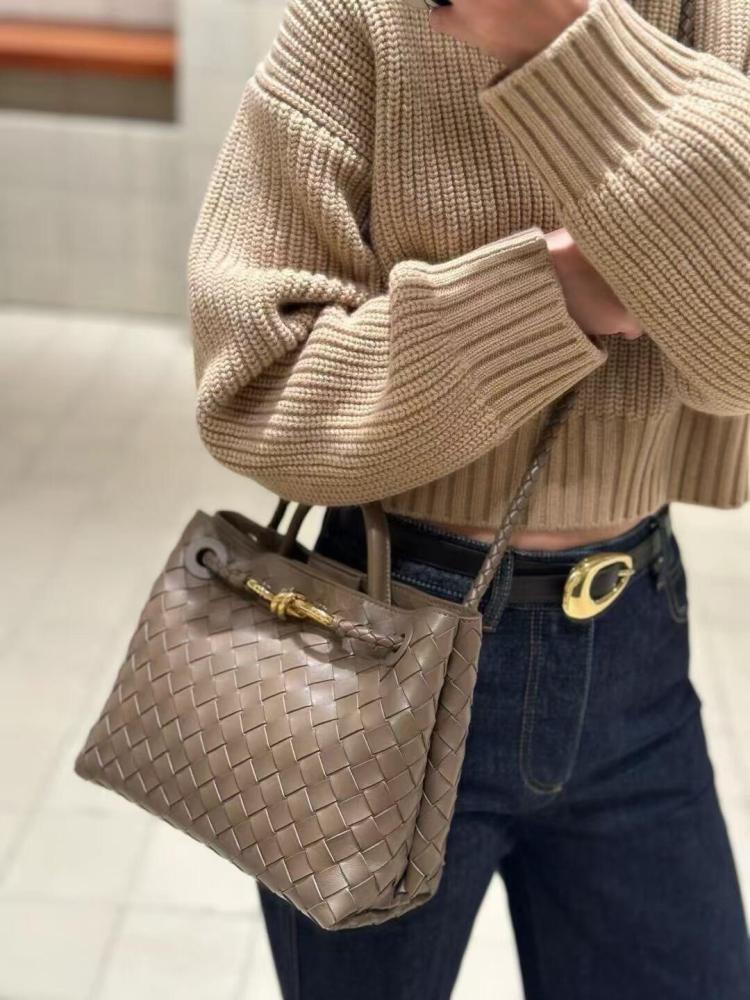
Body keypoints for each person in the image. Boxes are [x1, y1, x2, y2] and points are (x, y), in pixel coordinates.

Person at [186, 0, 750, 995]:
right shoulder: (364, 18)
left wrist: (569, 41)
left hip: (636, 642)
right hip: (379, 630)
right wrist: (551, 295)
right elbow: (261, 388)